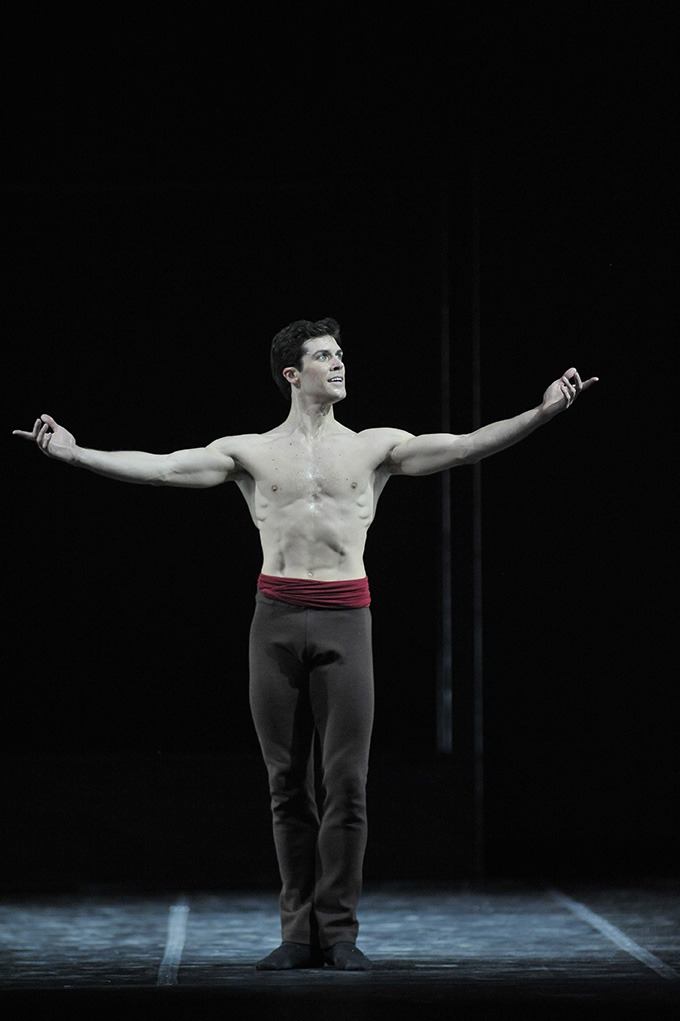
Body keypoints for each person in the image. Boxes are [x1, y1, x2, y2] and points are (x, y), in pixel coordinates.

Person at [13, 316, 597, 971]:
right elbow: (161, 468)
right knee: (287, 785)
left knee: (346, 784)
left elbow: (464, 447)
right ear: (292, 373)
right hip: (276, 622)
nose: (339, 363)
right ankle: (297, 933)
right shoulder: (250, 452)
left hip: (347, 619)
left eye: (340, 353)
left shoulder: (375, 446)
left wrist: (541, 413)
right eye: (324, 356)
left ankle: (339, 932)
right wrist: (75, 453)